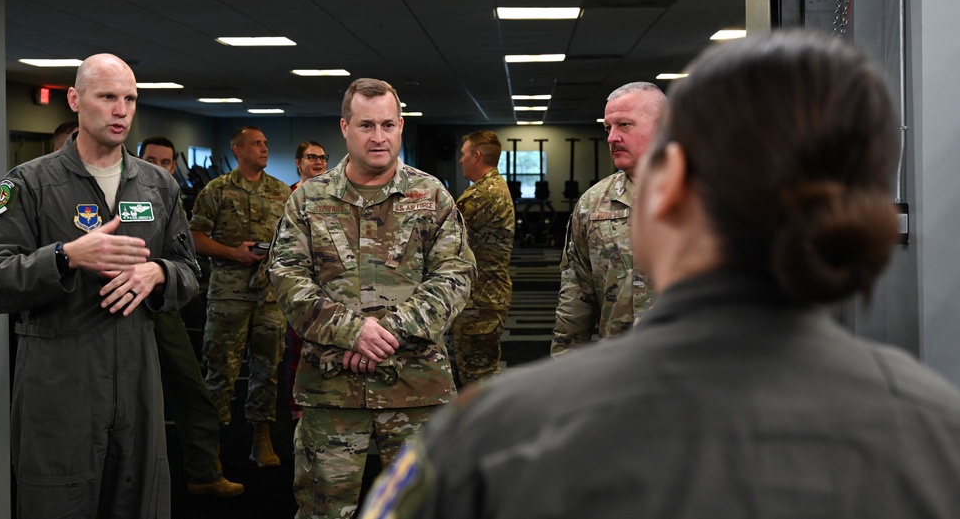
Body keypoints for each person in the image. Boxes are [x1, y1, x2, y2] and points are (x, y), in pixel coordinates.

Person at [360, 30, 960, 519]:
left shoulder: (499, 437)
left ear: (668, 187)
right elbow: (576, 296)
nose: (614, 139)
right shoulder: (935, 430)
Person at [0, 53, 201, 518]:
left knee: (139, 499)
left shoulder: (158, 186)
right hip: (60, 381)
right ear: (76, 100)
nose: (121, 110)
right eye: (108, 97)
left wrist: (158, 273)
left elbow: (190, 270)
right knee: (58, 500)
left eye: (130, 99)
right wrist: (65, 256)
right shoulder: (29, 184)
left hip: (137, 375)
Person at [268, 78, 476, 519]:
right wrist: (353, 332)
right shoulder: (308, 199)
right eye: (366, 125)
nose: (378, 137)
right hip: (331, 394)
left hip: (415, 390)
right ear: (345, 127)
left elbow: (456, 275)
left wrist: (386, 334)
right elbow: (286, 278)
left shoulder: (431, 194)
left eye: (387, 125)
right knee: (323, 511)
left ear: (401, 126)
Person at [140, 135, 244, 497]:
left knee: (191, 389)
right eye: (150, 159)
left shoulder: (171, 202)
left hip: (161, 306)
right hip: (111, 309)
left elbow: (188, 260)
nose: (158, 166)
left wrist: (162, 275)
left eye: (165, 161)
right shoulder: (116, 195)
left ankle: (204, 473)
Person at [189, 126, 290, 467]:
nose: (264, 148)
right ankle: (212, 444)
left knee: (267, 369)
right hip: (228, 295)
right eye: (257, 144)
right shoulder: (216, 190)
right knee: (220, 370)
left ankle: (261, 438)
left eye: (265, 143)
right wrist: (233, 253)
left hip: (269, 295)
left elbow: (293, 239)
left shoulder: (280, 192)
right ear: (237, 150)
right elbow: (195, 237)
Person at [551, 81, 666, 356]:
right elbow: (576, 294)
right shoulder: (593, 203)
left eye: (624, 125)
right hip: (619, 369)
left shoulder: (713, 195)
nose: (612, 138)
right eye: (608, 128)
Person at [450, 130, 515, 386]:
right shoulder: (493, 186)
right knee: (483, 369)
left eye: (463, 154)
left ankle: (487, 425)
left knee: (476, 375)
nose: (460, 160)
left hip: (480, 299)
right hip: (487, 294)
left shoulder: (482, 194)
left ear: (476, 156)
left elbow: (441, 234)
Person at [284, 141, 331, 424]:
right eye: (312, 157)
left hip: (329, 290)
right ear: (298, 162)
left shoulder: (333, 197)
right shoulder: (288, 196)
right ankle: (298, 416)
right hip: (296, 287)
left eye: (323, 157)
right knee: (297, 354)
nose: (319, 162)